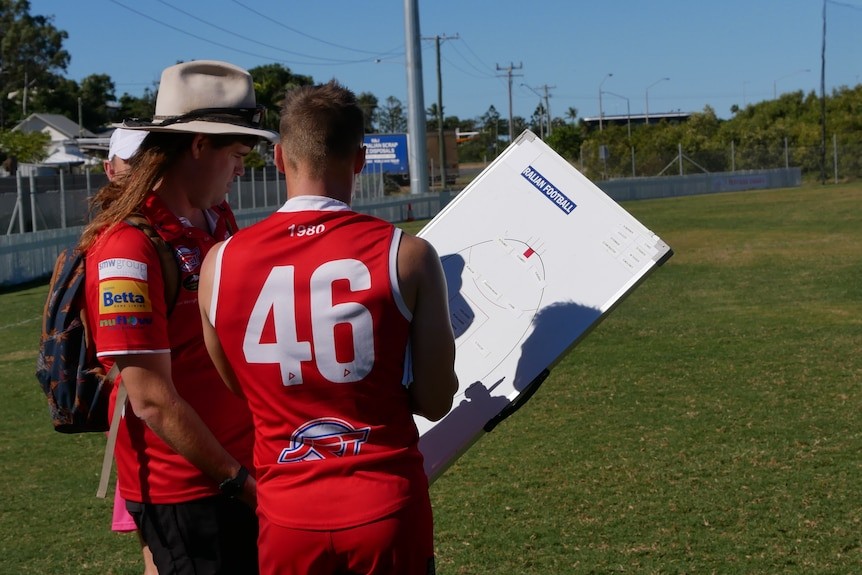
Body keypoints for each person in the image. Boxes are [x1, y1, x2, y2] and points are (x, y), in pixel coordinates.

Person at [198, 80, 459, 575]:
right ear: (360, 160)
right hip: (386, 506)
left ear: (278, 158)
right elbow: (437, 399)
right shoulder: (408, 255)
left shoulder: (219, 262)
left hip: (286, 515)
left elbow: (239, 384)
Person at [79, 60, 278, 575]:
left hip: (244, 469)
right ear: (197, 146)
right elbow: (152, 401)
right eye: (235, 154)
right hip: (192, 489)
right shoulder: (125, 248)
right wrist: (238, 482)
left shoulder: (216, 219)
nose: (241, 169)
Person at [102, 127, 158, 575]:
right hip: (140, 409)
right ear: (110, 170)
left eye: (147, 162)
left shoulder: (195, 218)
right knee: (157, 548)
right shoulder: (120, 241)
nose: (140, 173)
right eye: (130, 164)